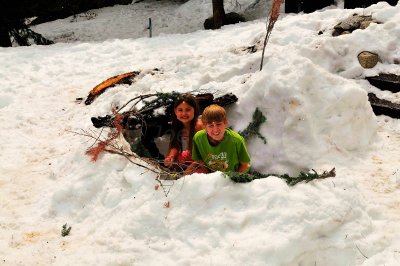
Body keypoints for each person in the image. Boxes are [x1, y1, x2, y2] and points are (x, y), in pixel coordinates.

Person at [184, 104, 251, 175]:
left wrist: (235, 180)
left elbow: (244, 164)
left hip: (233, 177)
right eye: (210, 125)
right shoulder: (198, 138)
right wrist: (208, 177)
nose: (215, 129)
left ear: (225, 123)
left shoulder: (236, 140)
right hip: (213, 177)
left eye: (218, 124)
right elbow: (200, 160)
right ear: (204, 126)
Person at [164, 93, 204, 169]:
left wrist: (188, 170)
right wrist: (171, 156)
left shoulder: (199, 126)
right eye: (180, 110)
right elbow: (175, 145)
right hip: (192, 158)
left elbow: (203, 155)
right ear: (175, 111)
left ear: (194, 110)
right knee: (174, 163)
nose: (184, 113)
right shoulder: (178, 126)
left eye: (188, 109)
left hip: (204, 160)